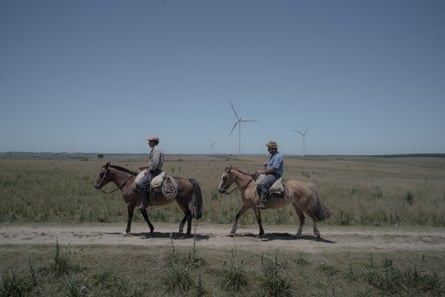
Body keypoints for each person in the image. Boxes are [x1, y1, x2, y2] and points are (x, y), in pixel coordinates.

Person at [136, 135, 165, 210]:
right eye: (149, 141)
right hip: (154, 169)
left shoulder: (156, 150)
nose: (148, 143)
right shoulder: (154, 150)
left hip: (155, 171)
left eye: (150, 142)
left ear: (154, 142)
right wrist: (144, 167)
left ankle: (144, 203)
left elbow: (155, 164)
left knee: (141, 183)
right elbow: (152, 164)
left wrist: (148, 170)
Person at [256, 140, 284, 209]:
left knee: (264, 183)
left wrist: (262, 172)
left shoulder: (278, 156)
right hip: (270, 173)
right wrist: (267, 164)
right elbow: (271, 166)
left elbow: (274, 169)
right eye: (268, 148)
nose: (268, 150)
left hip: (275, 174)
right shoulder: (273, 155)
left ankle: (263, 203)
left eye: (269, 148)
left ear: (273, 148)